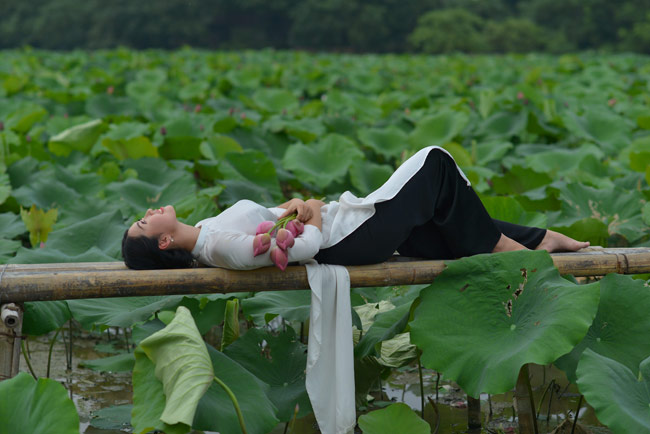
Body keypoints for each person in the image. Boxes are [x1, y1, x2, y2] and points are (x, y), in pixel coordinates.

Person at [121, 147, 589, 270]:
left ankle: (537, 239)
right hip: (347, 241)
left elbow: (273, 218)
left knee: (434, 216)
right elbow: (305, 249)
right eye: (145, 222)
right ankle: (503, 246)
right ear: (163, 240)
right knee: (434, 163)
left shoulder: (205, 232)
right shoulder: (221, 248)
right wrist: (315, 213)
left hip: (348, 231)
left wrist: (296, 205)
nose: (152, 210)